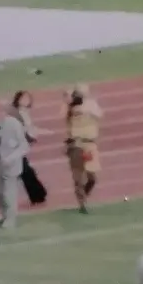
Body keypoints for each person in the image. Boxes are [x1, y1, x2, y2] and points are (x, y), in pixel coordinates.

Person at [0, 104, 28, 229]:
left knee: (9, 192)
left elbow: (24, 146)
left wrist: (10, 158)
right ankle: (4, 215)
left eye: (0, 110)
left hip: (11, 163)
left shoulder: (15, 125)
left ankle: (11, 218)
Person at [65, 83, 103, 212]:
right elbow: (65, 114)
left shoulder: (92, 105)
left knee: (92, 177)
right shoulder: (70, 108)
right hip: (76, 144)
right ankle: (82, 203)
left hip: (90, 144)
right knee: (78, 177)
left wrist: (88, 109)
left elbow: (99, 115)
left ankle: (83, 196)